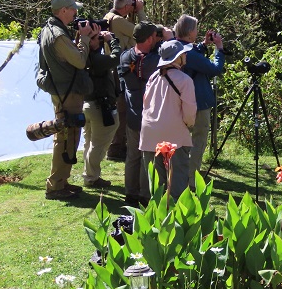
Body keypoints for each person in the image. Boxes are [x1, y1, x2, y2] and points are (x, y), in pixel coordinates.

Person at [37, 0, 95, 200]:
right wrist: (86, 39)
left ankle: (61, 181)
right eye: (72, 9)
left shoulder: (49, 29)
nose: (75, 13)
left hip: (62, 90)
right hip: (67, 92)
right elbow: (79, 61)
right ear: (63, 11)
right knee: (65, 138)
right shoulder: (58, 35)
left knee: (68, 136)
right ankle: (55, 186)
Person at [174, 14, 227, 185]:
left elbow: (194, 58)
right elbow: (215, 69)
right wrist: (219, 48)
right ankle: (191, 180)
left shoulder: (174, 47)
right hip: (198, 102)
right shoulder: (190, 52)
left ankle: (178, 175)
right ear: (190, 32)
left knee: (180, 140)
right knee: (198, 141)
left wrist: (204, 45)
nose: (197, 32)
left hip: (178, 101)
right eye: (196, 29)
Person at [140, 40, 197, 199]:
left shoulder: (153, 77)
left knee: (156, 186)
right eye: (183, 53)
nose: (186, 55)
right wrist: (188, 125)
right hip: (175, 136)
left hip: (149, 135)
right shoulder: (185, 80)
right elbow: (190, 112)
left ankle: (157, 219)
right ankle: (175, 220)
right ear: (177, 58)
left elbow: (145, 103)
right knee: (177, 184)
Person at [119, 22, 162, 205]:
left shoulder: (125, 57)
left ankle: (130, 193)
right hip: (149, 116)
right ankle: (145, 195)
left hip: (132, 114)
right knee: (148, 157)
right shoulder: (154, 60)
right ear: (150, 38)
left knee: (132, 156)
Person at [104, 0, 149, 161]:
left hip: (114, 68)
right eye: (131, 4)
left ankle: (117, 146)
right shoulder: (118, 21)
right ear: (126, 7)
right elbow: (145, 32)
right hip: (123, 70)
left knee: (121, 108)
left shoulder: (109, 16)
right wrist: (141, 11)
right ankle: (116, 148)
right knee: (123, 109)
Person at [81, 29, 121, 188]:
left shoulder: (83, 56)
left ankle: (89, 175)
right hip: (100, 106)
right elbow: (117, 57)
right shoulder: (96, 59)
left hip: (88, 104)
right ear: (91, 42)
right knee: (99, 144)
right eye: (97, 38)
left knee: (89, 142)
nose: (100, 39)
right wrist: (112, 40)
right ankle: (91, 177)